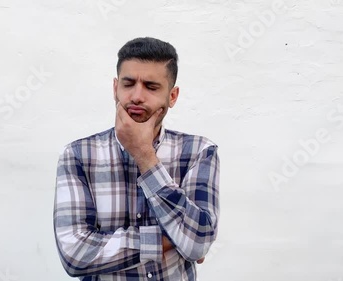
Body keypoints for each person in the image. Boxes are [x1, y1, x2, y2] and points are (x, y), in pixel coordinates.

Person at [53, 37, 220, 281]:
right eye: (128, 83)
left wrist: (144, 154)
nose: (137, 96)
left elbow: (196, 244)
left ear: (172, 96)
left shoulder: (198, 151)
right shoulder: (78, 156)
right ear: (115, 88)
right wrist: (169, 239)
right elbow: (75, 255)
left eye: (151, 87)